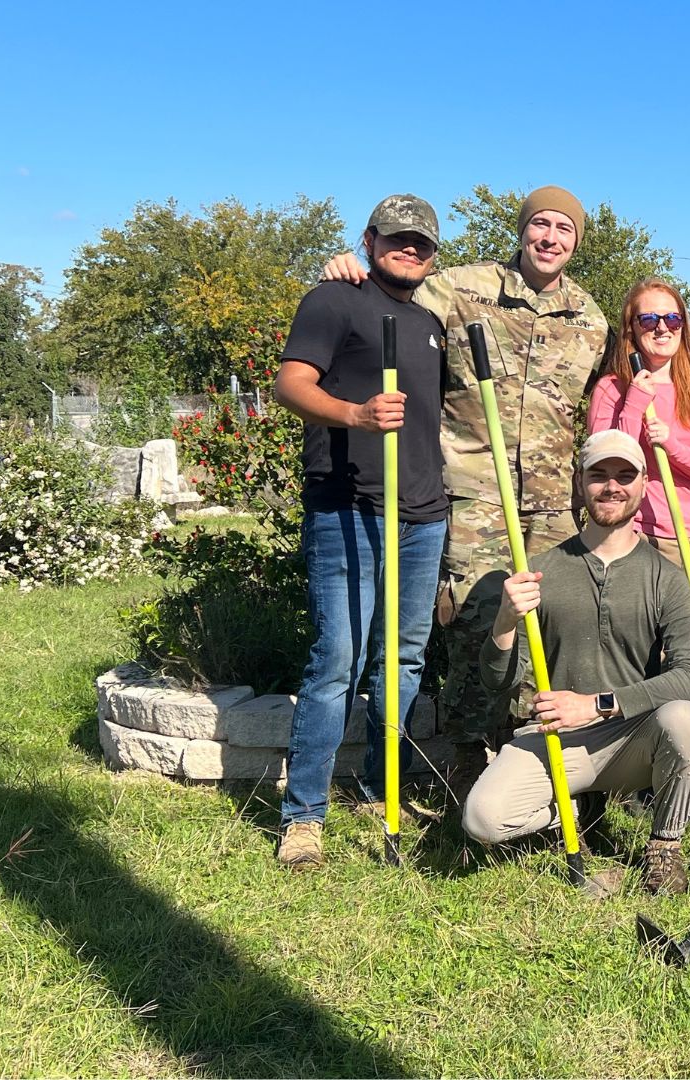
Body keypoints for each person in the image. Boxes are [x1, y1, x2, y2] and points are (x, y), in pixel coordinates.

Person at [323, 186, 610, 777]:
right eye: (541, 225)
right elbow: (389, 297)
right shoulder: (458, 288)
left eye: (564, 229)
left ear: (577, 241)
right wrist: (344, 270)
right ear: (524, 229)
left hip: (553, 502)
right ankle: (466, 754)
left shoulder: (591, 316)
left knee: (548, 623)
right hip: (474, 493)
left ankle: (530, 752)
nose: (550, 238)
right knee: (475, 620)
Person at [271, 195, 449, 868]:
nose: (411, 250)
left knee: (402, 663)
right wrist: (356, 414)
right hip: (348, 507)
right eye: (398, 238)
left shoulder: (430, 321)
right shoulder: (333, 299)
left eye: (423, 244)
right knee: (336, 663)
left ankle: (383, 788)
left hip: (423, 517)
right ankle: (304, 816)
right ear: (371, 239)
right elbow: (291, 385)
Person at [459, 430, 690, 895]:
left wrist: (598, 704)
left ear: (643, 486)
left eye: (624, 475)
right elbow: (498, 681)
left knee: (688, 721)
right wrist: (504, 622)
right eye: (599, 475)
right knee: (483, 819)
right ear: (580, 483)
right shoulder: (541, 569)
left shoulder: (666, 578)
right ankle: (571, 810)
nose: (611, 486)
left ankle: (664, 848)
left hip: (635, 735)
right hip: (557, 737)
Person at [587, 278, 690, 588]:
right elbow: (607, 472)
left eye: (672, 318)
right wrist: (633, 406)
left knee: (689, 635)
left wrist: (672, 446)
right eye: (649, 319)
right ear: (632, 328)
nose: (662, 327)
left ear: (683, 325)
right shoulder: (611, 390)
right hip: (633, 537)